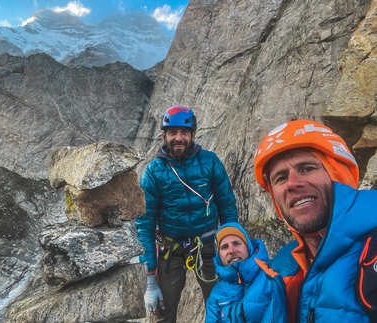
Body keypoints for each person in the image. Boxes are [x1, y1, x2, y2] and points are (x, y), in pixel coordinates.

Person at [253, 119, 377, 323]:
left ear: (338, 175)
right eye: (280, 178)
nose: (292, 184)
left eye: (307, 168)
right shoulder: (284, 270)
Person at [135, 105, 238, 322]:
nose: (178, 138)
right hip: (171, 248)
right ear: (164, 136)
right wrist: (150, 280)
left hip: (208, 244)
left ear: (193, 135)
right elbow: (145, 224)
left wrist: (231, 248)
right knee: (162, 312)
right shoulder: (154, 171)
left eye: (184, 133)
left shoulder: (210, 162)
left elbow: (227, 208)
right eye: (172, 133)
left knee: (222, 307)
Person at [205, 222, 273, 323]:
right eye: (224, 247)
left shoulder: (270, 277)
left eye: (236, 243)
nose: (231, 250)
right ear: (219, 256)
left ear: (248, 247)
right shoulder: (216, 295)